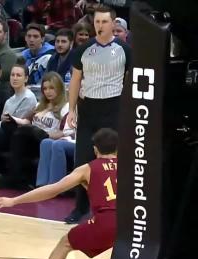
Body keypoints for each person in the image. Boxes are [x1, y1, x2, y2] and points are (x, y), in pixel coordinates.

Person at [0, 128, 118, 259]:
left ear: (95, 149)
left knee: (65, 243)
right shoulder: (132, 168)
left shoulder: (87, 169)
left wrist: (14, 200)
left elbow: (53, 190)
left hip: (105, 221)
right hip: (133, 224)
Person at [64, 5, 130, 224]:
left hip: (113, 109)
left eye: (104, 22)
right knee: (82, 161)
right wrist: (71, 110)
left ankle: (109, 209)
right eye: (97, 22)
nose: (100, 26)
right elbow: (75, 81)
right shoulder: (83, 50)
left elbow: (131, 80)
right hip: (88, 109)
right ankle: (79, 208)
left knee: (112, 162)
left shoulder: (124, 49)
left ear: (113, 24)